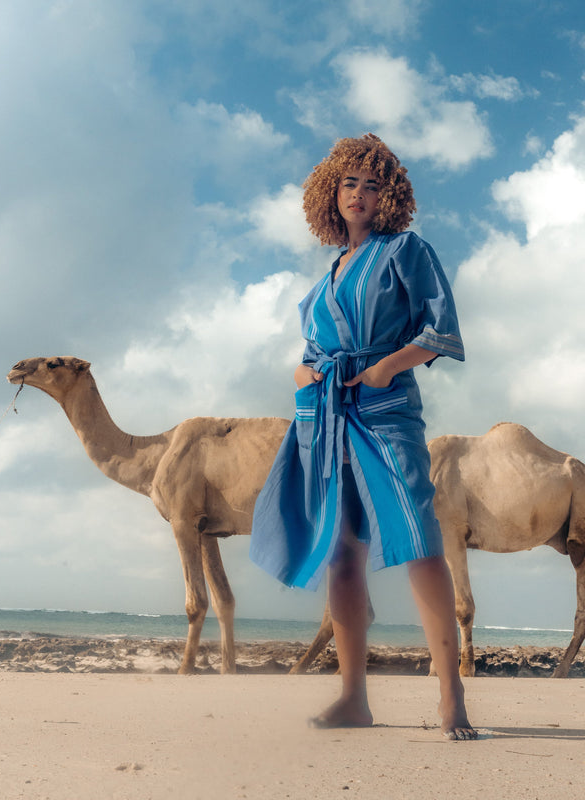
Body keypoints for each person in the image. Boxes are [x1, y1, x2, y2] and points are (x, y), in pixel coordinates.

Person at [250, 133, 476, 740]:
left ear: (390, 196)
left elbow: (440, 329)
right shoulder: (322, 283)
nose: (359, 193)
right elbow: (309, 352)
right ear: (332, 191)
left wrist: (384, 368)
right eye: (349, 182)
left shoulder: (406, 250)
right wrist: (304, 373)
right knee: (341, 553)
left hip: (384, 410)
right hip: (323, 417)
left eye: (372, 184)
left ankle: (451, 693)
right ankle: (354, 697)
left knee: (419, 539)